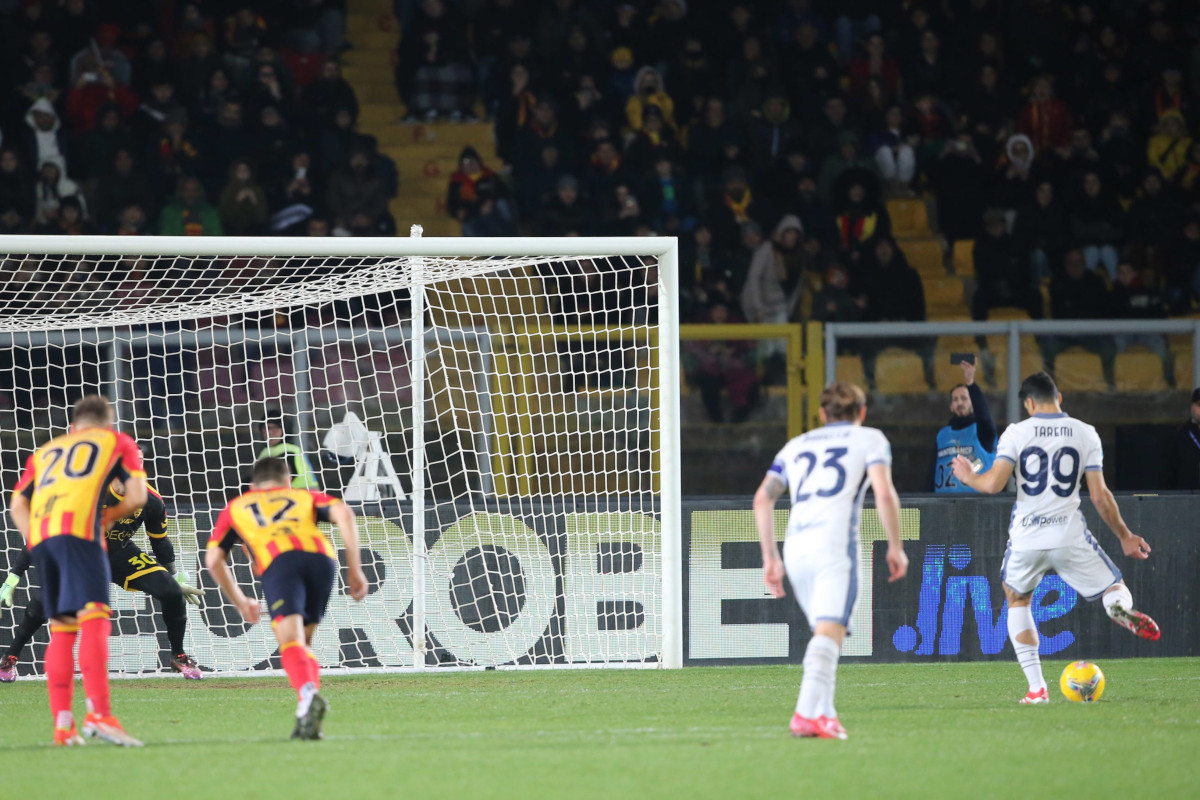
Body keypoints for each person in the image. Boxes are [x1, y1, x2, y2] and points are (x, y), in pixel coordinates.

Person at [951, 372, 1160, 705]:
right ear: (1059, 398)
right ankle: (1120, 609)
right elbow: (1100, 495)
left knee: (1017, 600)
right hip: (1069, 535)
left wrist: (969, 476)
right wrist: (1125, 535)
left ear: (1029, 403)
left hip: (1026, 538)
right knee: (1112, 587)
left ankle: (1037, 689)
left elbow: (992, 485)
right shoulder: (1085, 433)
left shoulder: (1017, 433)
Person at [754, 382, 908, 740]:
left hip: (795, 546)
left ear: (822, 414)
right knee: (828, 631)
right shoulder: (871, 439)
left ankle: (826, 713)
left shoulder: (796, 445)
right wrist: (895, 546)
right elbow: (884, 492)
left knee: (827, 631)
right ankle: (806, 714)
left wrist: (770, 558)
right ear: (862, 412)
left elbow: (763, 499)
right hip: (834, 542)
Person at [7, 395, 147, 746]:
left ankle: (63, 726)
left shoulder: (46, 452)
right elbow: (139, 497)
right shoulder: (116, 442)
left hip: (45, 538)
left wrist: (35, 541)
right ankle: (99, 714)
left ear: (74, 427)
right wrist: (110, 516)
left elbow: (18, 503)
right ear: (107, 423)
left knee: (63, 630)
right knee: (95, 620)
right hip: (81, 535)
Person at [205, 457, 368, 739]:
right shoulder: (302, 496)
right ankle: (306, 716)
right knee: (304, 642)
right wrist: (355, 569)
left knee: (290, 641)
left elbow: (213, 560)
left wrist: (241, 601)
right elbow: (344, 512)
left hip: (280, 560)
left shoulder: (237, 506)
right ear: (287, 481)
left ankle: (306, 696)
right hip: (322, 559)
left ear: (253, 485)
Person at [0, 478, 205, 682]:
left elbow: (160, 542)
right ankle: (10, 657)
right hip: (79, 555)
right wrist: (14, 575)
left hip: (119, 554)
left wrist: (174, 576)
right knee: (42, 604)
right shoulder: (85, 492)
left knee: (172, 592)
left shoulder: (150, 499)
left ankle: (178, 656)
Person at [932, 360, 997, 493]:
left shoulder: (982, 431)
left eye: (964, 398)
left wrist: (970, 383)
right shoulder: (942, 435)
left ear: (973, 403)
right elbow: (931, 474)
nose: (959, 402)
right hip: (944, 507)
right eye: (955, 399)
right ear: (951, 406)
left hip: (976, 507)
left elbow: (984, 417)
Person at [259, 414, 320, 490]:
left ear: (284, 430)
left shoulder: (289, 449)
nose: (270, 432)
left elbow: (285, 475)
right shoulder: (265, 452)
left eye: (274, 428)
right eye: (266, 428)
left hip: (305, 492)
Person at [1162, 388, 1200, 490]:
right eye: (1199, 405)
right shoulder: (1179, 437)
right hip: (1187, 499)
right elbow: (1169, 476)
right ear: (1192, 407)